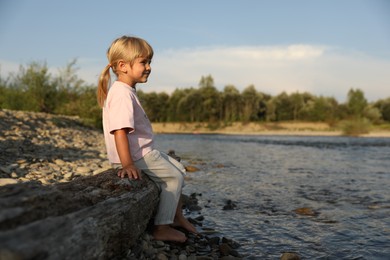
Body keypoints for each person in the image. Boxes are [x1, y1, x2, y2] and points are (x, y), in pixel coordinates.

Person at [97, 35, 196, 243]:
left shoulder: (126, 91)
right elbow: (120, 131)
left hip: (141, 152)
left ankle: (177, 217)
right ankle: (162, 227)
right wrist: (127, 164)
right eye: (144, 62)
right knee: (174, 178)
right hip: (136, 155)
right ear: (123, 66)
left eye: (149, 62)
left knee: (179, 169)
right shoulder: (122, 93)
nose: (149, 67)